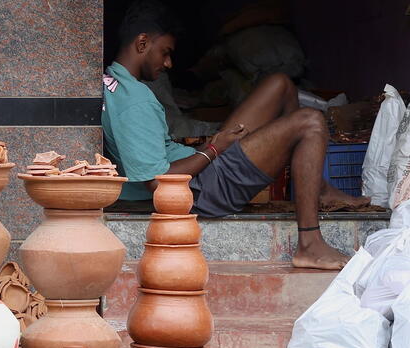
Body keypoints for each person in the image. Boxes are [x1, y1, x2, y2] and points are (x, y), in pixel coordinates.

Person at [102, 4, 370, 270]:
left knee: (280, 85)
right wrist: (213, 150)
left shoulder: (113, 81)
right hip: (204, 189)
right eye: (166, 53)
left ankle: (315, 188)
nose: (168, 63)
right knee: (311, 121)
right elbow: (159, 184)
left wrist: (212, 149)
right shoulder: (135, 102)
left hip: (205, 168)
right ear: (142, 43)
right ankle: (309, 244)